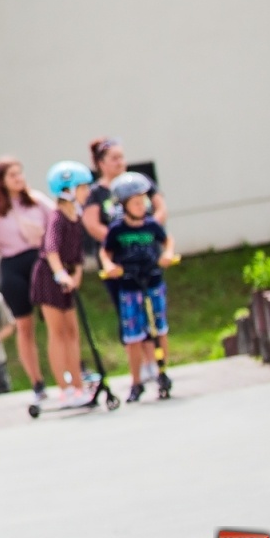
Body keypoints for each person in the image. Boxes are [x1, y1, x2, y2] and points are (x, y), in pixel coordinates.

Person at [0, 157, 53, 400]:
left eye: (20, 173)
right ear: (2, 181)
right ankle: (37, 381)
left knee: (56, 318)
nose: (19, 179)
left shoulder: (36, 201)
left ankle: (70, 369)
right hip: (13, 265)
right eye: (12, 175)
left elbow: (57, 221)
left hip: (39, 260)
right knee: (25, 326)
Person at [98, 172, 179, 402]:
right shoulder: (117, 230)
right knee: (133, 336)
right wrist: (109, 265)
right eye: (135, 202)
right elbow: (105, 252)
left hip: (152, 281)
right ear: (123, 206)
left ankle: (162, 371)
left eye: (143, 201)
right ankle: (136, 381)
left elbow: (167, 240)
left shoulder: (152, 225)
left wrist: (167, 254)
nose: (141, 206)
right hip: (129, 286)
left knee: (159, 330)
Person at [30, 160, 94, 405]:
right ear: (66, 190)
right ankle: (64, 388)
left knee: (72, 332)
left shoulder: (76, 217)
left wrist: (76, 274)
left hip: (67, 276)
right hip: (49, 277)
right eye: (82, 187)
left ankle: (78, 384)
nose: (87, 192)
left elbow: (77, 254)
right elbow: (51, 248)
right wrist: (60, 274)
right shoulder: (57, 217)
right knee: (57, 332)